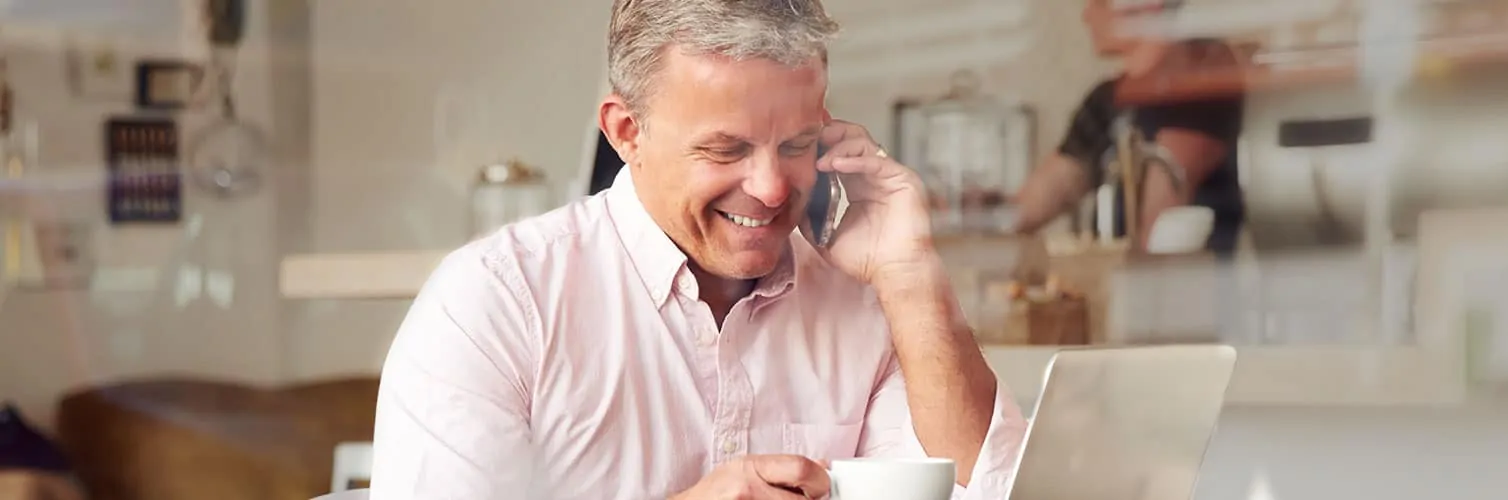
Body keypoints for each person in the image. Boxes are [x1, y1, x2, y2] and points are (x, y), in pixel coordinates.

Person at [367, 1, 1026, 499]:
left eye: (797, 145)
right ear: (627, 132)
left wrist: (912, 277)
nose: (771, 189)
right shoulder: (496, 304)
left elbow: (990, 492)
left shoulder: (869, 307)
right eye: (726, 149)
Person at [1011, 0, 1247, 256]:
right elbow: (1039, 199)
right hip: (1122, 281)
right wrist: (975, 223)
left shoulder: (1196, 83)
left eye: (1099, 3)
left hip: (1179, 287)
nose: (1087, 16)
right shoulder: (1108, 99)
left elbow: (1157, 235)